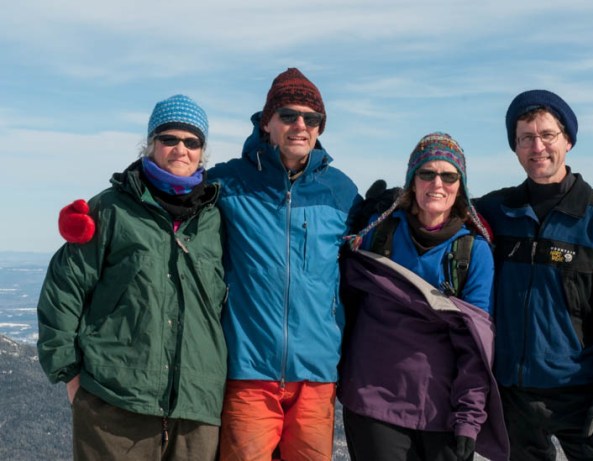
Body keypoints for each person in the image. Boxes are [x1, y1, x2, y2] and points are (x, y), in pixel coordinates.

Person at [37, 94, 227, 460]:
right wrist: (70, 374)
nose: (180, 149)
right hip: (114, 404)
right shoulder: (111, 208)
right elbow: (65, 287)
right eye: (168, 139)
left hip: (196, 408)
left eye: (191, 142)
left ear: (202, 151)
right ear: (150, 144)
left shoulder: (216, 219)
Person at [474, 90, 593, 461]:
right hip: (513, 398)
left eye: (547, 135)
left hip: (581, 394)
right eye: (525, 138)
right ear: (515, 147)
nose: (537, 147)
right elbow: (438, 207)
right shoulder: (496, 211)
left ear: (567, 140)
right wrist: (395, 203)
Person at [208, 68, 360, 461]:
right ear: (266, 123)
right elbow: (171, 202)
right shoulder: (228, 183)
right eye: (289, 115)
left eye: (311, 119)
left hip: (316, 374)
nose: (300, 125)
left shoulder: (341, 191)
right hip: (248, 370)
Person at [339, 132, 508, 461]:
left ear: (460, 186)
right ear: (411, 181)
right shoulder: (380, 231)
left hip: (441, 410)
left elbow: (476, 345)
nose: (437, 184)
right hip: (372, 401)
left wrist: (469, 419)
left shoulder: (471, 251)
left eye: (449, 175)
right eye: (427, 173)